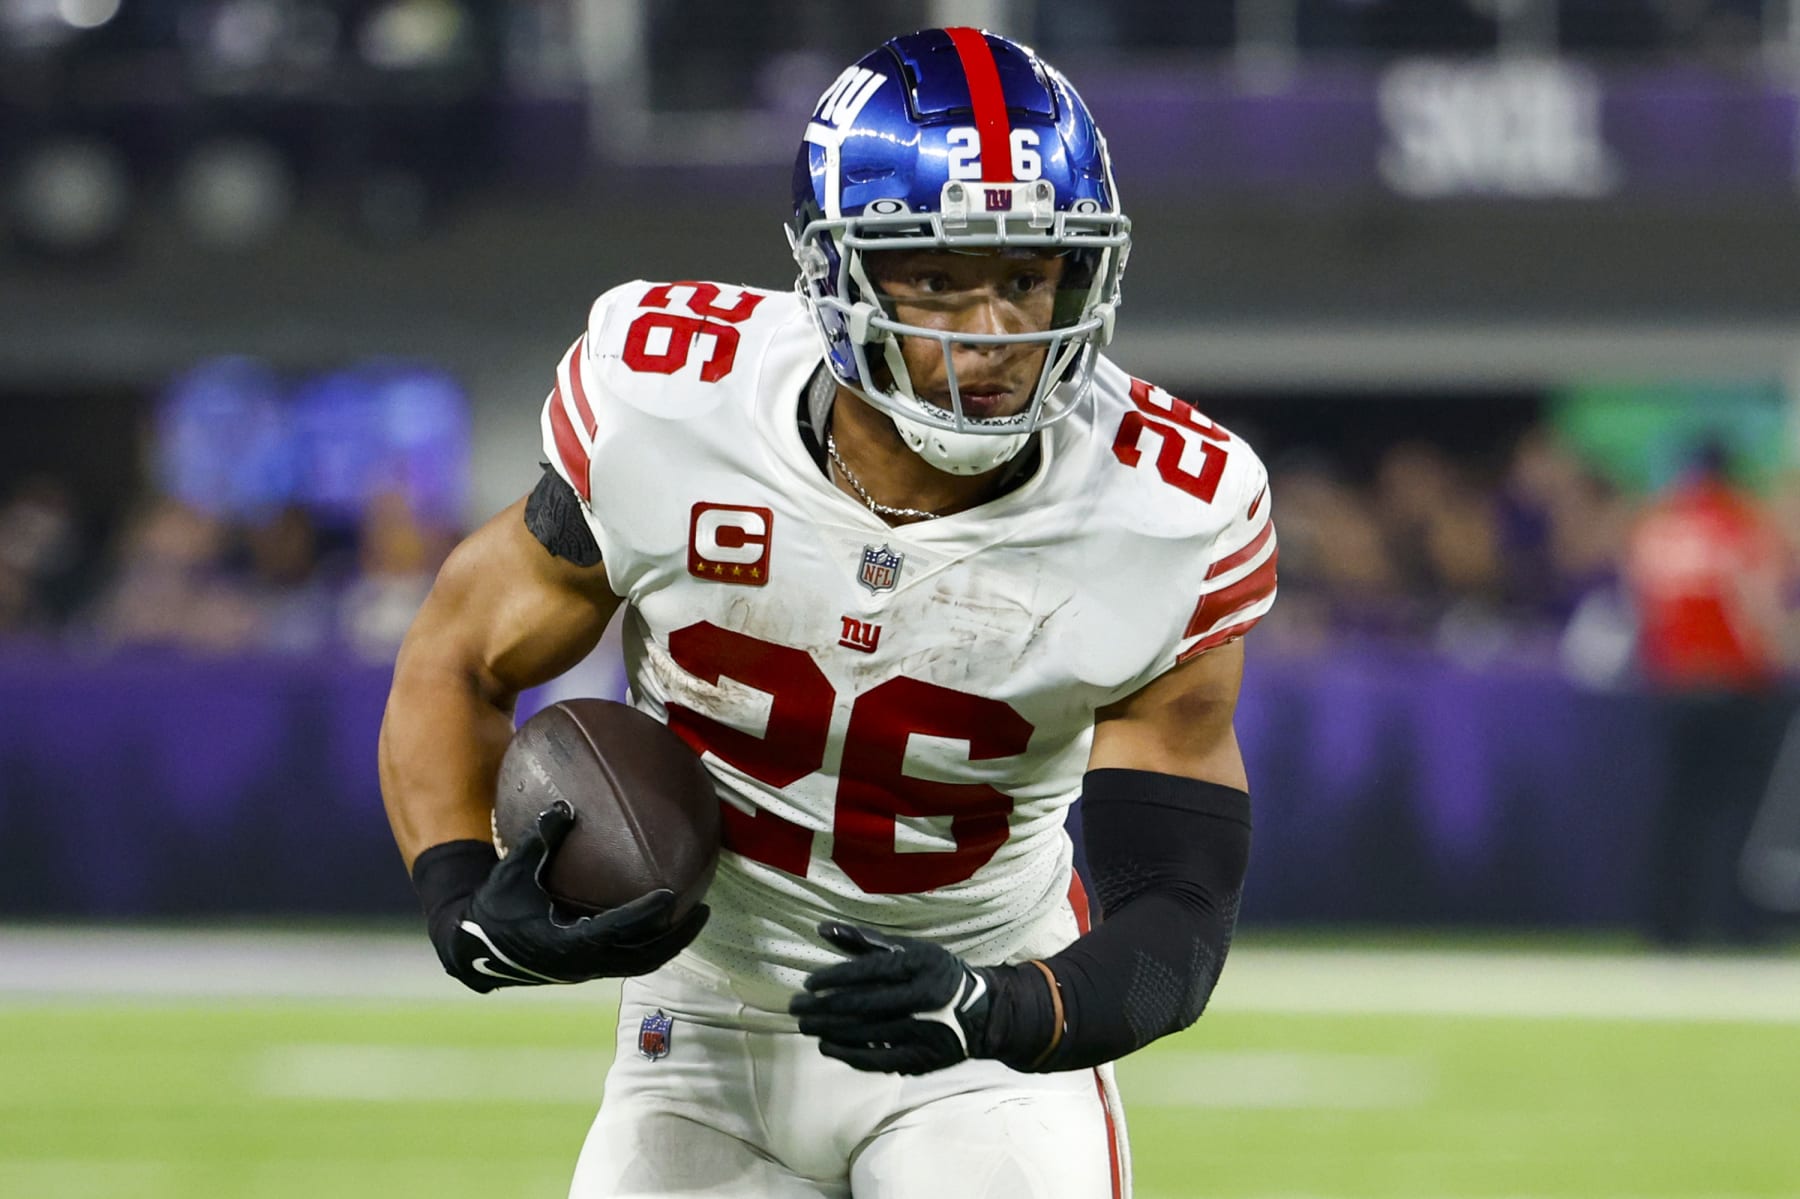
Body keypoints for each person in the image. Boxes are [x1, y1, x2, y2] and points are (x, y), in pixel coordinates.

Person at [378, 28, 1276, 1198]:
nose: (991, 334)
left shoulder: (1168, 510)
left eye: (1023, 274)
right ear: (838, 275)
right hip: (698, 1021)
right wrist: (457, 897)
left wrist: (1004, 1005)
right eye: (936, 277)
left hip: (974, 1035)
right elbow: (459, 653)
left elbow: (1180, 911)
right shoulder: (670, 404)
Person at [1624, 439, 1792, 946]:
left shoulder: (1657, 523)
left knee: (1679, 808)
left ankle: (1669, 925)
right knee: (1740, 808)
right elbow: (1759, 608)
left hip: (1675, 684)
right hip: (1733, 683)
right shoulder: (1741, 522)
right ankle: (1742, 926)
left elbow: (1643, 605)